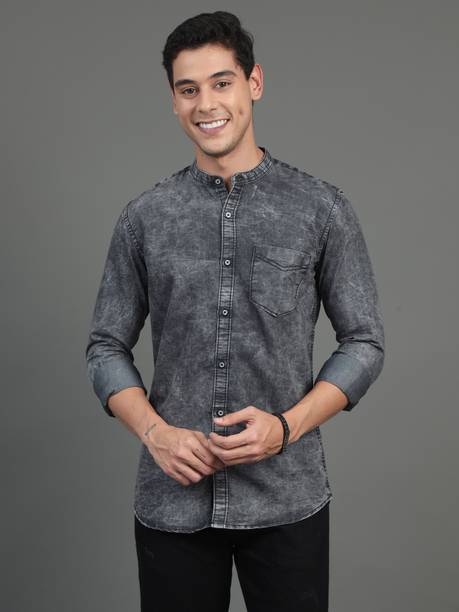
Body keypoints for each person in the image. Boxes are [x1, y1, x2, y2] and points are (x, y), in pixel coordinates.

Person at [85, 10, 385, 612]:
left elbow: (364, 342)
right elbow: (105, 347)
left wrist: (286, 428)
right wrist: (155, 433)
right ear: (173, 100)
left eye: (221, 82)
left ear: (254, 83)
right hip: (173, 503)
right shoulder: (144, 218)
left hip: (287, 498)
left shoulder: (321, 209)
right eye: (188, 89)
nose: (205, 104)